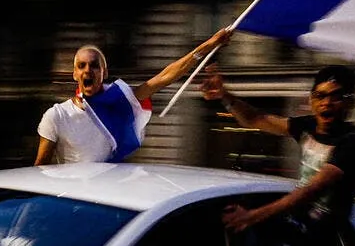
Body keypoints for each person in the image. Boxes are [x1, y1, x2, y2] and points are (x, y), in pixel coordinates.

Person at [201, 63, 355, 246]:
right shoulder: (308, 126)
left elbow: (312, 190)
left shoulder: (353, 143)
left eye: (336, 96)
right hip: (300, 225)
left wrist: (252, 216)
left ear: (351, 103)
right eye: (320, 95)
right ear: (311, 100)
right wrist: (224, 95)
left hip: (326, 244)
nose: (327, 102)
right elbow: (256, 119)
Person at [34, 28, 232, 166]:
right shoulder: (56, 115)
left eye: (95, 65)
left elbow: (165, 76)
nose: (88, 70)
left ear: (104, 73)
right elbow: (40, 169)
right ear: (75, 74)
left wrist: (209, 44)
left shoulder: (120, 100)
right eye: (82, 66)